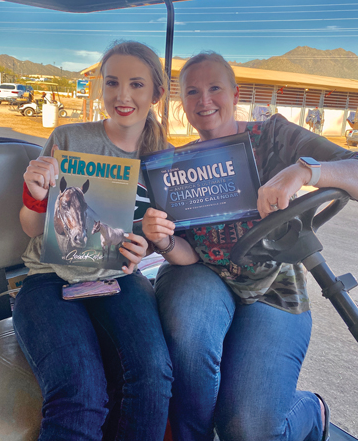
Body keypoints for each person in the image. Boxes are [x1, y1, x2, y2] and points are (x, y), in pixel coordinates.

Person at [142, 52, 358, 441]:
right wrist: (165, 241)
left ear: (235, 93)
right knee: (188, 332)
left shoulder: (273, 136)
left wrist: (305, 170)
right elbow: (187, 253)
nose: (204, 100)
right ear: (182, 103)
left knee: (247, 429)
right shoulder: (178, 165)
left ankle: (311, 409)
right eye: (192, 92)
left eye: (214, 88)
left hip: (274, 289)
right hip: (202, 275)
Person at [13, 41, 173, 441]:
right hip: (49, 277)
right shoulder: (67, 138)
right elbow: (32, 228)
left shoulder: (164, 160)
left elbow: (155, 239)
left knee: (153, 377)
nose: (123, 95)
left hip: (118, 278)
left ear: (157, 93)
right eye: (113, 83)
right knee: (81, 391)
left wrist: (145, 247)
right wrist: (35, 194)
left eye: (137, 84)